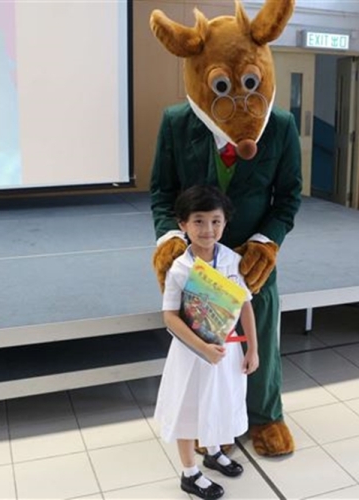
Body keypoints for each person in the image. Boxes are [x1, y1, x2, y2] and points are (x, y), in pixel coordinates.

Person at [149, 0, 301, 457]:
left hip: (252, 262)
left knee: (260, 339)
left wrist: (266, 243)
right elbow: (162, 192)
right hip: (198, 261)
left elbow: (288, 198)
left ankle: (265, 415)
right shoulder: (177, 123)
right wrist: (169, 237)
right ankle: (210, 423)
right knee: (205, 348)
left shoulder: (281, 125)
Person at [155, 185, 259, 500]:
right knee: (188, 408)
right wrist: (202, 348)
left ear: (225, 222)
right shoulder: (179, 268)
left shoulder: (231, 259)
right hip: (191, 354)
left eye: (216, 221)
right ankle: (190, 473)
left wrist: (253, 348)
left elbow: (244, 304)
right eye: (198, 221)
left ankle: (213, 452)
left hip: (226, 350)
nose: (208, 229)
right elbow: (170, 316)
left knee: (219, 401)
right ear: (183, 224)